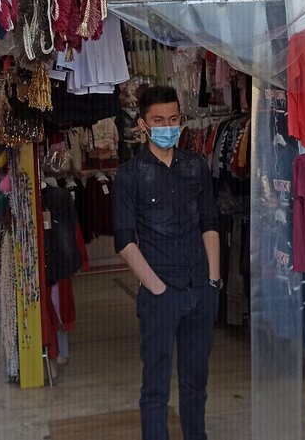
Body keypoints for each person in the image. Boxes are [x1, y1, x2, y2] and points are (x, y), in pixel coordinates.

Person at [113, 85, 222, 440]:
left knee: (196, 383)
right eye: (158, 120)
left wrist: (213, 280)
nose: (167, 127)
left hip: (200, 288)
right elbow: (124, 241)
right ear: (143, 124)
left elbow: (210, 223)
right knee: (155, 388)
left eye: (173, 119)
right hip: (160, 295)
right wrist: (157, 288)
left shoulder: (196, 166)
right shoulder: (130, 175)